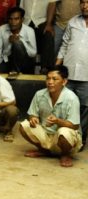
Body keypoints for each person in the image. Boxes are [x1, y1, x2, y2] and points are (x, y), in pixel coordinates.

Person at [19, 65, 82, 167]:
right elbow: (32, 114)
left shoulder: (72, 98)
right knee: (24, 126)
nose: (50, 82)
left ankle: (65, 154)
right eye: (48, 78)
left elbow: (74, 125)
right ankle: (44, 150)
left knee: (64, 132)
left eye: (55, 79)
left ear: (64, 82)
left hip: (64, 137)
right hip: (46, 134)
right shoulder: (39, 94)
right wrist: (33, 119)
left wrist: (58, 121)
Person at [56, 0, 88, 150]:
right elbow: (64, 44)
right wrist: (57, 67)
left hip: (87, 76)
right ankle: (63, 138)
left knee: (84, 109)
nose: (85, 6)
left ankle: (79, 140)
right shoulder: (73, 21)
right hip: (69, 72)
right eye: (82, 2)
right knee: (64, 106)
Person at [0, 6, 37, 79]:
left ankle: (15, 71)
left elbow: (33, 53)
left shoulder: (29, 31)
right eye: (10, 19)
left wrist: (19, 41)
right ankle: (13, 71)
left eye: (16, 19)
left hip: (25, 63)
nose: (13, 22)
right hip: (8, 61)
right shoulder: (2, 29)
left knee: (17, 44)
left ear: (22, 19)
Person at [19, 0, 58, 74]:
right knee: (22, 39)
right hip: (26, 21)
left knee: (48, 34)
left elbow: (52, 4)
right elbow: (21, 6)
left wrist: (49, 23)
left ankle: (46, 68)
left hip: (41, 21)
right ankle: (25, 70)